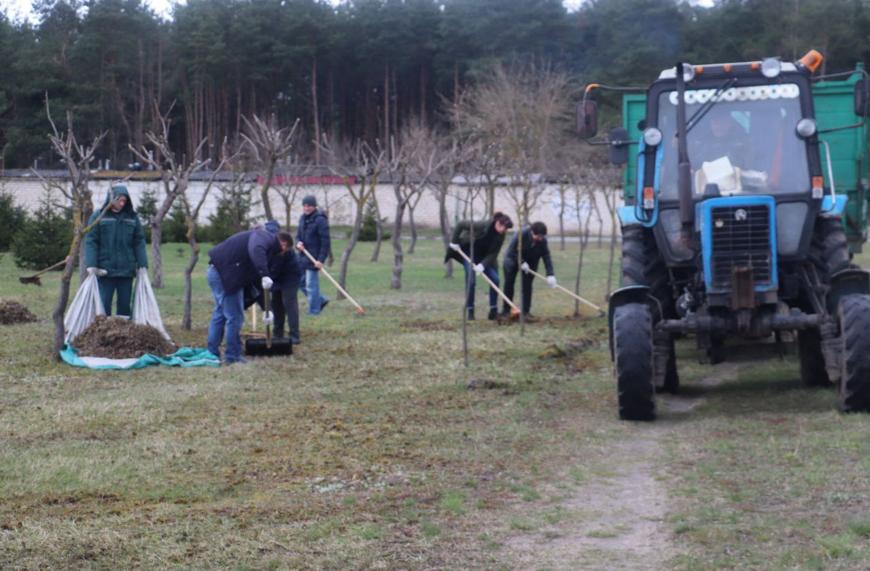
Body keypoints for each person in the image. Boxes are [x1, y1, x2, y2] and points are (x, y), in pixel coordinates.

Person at [206, 223, 288, 364]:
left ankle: (212, 352)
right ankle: (232, 356)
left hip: (217, 272)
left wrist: (267, 310)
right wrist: (264, 273)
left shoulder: (264, 248)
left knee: (221, 313)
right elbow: (256, 250)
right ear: (281, 243)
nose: (282, 253)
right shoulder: (263, 237)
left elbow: (258, 283)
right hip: (225, 275)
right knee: (235, 317)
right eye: (283, 250)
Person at [84, 184, 147, 317]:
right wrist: (91, 264)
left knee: (124, 305)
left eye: (125, 200)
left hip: (126, 270)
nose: (122, 203)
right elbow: (91, 240)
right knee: (104, 303)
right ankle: (104, 332)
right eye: (120, 200)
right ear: (111, 199)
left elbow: (139, 241)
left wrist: (142, 264)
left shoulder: (132, 218)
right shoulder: (99, 216)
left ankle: (123, 333)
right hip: (105, 270)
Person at [446, 211, 513, 320]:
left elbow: (493, 253)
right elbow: (460, 224)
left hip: (484, 259)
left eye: (505, 230)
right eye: (503, 228)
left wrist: (482, 265)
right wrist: (454, 242)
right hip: (469, 254)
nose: (503, 231)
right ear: (498, 223)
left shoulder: (501, 235)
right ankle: (470, 311)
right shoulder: (482, 225)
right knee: (471, 281)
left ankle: (493, 311)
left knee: (495, 279)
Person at [502, 221, 556, 320]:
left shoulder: (542, 241)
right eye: (538, 236)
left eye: (542, 236)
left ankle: (525, 312)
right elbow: (512, 250)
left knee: (527, 286)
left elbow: (546, 256)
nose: (540, 238)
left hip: (531, 262)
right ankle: (506, 311)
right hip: (512, 259)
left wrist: (550, 274)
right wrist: (521, 262)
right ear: (532, 232)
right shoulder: (521, 234)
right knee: (509, 284)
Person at [296, 194, 331, 315]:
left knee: (311, 286)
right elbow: (298, 236)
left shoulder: (320, 220)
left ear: (314, 206)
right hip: (302, 257)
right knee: (299, 282)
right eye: (305, 206)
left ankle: (314, 311)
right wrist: (298, 243)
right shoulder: (302, 218)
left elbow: (325, 242)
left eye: (309, 206)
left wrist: (321, 260)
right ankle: (320, 300)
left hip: (314, 259)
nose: (306, 208)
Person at [270, 231, 302, 344]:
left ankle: (294, 335)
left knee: (289, 304)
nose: (282, 247)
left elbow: (276, 269)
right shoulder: (272, 250)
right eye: (280, 244)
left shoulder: (288, 256)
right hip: (276, 279)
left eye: (284, 245)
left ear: (288, 246)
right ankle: (277, 333)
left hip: (290, 278)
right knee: (276, 304)